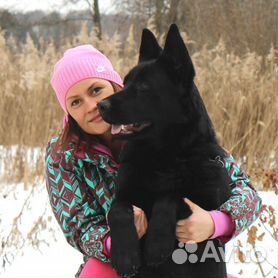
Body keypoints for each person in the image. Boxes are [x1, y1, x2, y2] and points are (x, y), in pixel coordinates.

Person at [45, 44, 262, 278]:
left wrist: (214, 223)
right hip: (120, 264)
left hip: (189, 257)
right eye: (75, 102)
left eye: (96, 90)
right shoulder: (63, 154)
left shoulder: (168, 126)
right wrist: (116, 241)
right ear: (68, 112)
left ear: (117, 86)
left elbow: (248, 196)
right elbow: (78, 226)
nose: (91, 106)